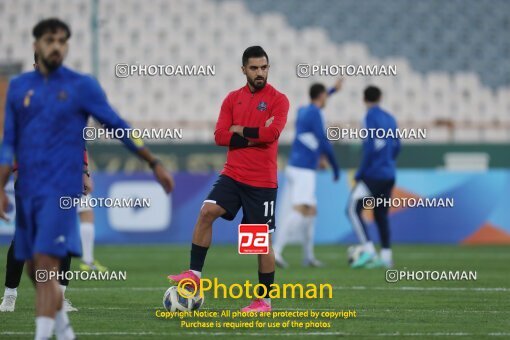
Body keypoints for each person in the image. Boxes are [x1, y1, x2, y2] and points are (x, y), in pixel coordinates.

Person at [0, 18, 174, 340]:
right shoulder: (20, 89)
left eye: (62, 41)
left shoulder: (82, 86)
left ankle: (48, 331)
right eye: (49, 40)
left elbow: (117, 125)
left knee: (48, 258)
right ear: (36, 46)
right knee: (30, 259)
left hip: (63, 184)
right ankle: (61, 325)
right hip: (29, 181)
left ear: (66, 47)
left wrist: (153, 161)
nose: (56, 46)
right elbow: (10, 139)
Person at [168, 46, 289, 312]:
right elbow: (220, 135)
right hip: (233, 175)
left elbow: (273, 134)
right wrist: (254, 134)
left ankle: (264, 302)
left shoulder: (279, 99)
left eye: (264, 67)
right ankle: (194, 276)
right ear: (243, 69)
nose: (260, 73)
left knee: (258, 243)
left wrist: (240, 131)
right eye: (254, 68)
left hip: (261, 182)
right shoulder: (232, 99)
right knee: (206, 211)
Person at [273, 80, 342, 268]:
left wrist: (333, 89)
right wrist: (335, 167)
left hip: (297, 167)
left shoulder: (303, 110)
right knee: (301, 209)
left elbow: (320, 96)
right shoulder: (316, 113)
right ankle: (276, 250)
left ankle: (308, 257)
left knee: (311, 212)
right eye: (326, 95)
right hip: (303, 170)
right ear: (321, 97)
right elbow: (324, 141)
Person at [347, 86, 400, 269]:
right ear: (380, 97)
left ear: (364, 99)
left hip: (374, 174)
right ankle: (386, 256)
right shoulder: (390, 118)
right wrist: (388, 163)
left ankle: (368, 251)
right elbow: (397, 146)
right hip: (389, 174)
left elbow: (369, 147)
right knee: (380, 215)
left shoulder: (369, 116)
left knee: (352, 209)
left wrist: (361, 171)